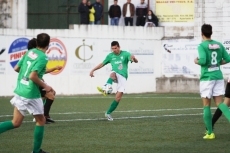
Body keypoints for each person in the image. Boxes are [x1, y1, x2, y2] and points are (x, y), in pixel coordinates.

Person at [0, 33, 53, 153]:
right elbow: (33, 76)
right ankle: (36, 151)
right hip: (31, 94)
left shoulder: (29, 52)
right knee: (41, 121)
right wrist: (46, 86)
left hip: (20, 90)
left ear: (37, 43)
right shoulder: (43, 57)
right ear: (48, 44)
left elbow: (17, 69)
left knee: (16, 122)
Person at [194, 24, 230, 140]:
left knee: (206, 106)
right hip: (218, 76)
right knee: (220, 103)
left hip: (207, 78)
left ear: (202, 34)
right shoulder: (218, 44)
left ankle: (210, 133)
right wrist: (218, 63)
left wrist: (196, 61)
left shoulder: (202, 46)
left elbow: (203, 61)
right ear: (211, 33)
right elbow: (228, 58)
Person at [89, 41, 138, 121]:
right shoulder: (110, 56)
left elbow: (135, 61)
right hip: (115, 73)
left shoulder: (125, 54)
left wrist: (134, 58)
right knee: (113, 74)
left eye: (115, 48)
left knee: (118, 98)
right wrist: (93, 70)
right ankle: (106, 87)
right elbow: (102, 64)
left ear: (119, 47)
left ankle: (108, 113)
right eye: (112, 49)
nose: (114, 50)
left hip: (123, 77)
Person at [25, 38, 62, 124]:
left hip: (32, 81)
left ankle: (42, 115)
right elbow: (33, 74)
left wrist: (54, 68)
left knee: (52, 93)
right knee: (50, 95)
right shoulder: (39, 57)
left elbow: (18, 69)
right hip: (33, 82)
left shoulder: (30, 56)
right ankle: (41, 116)